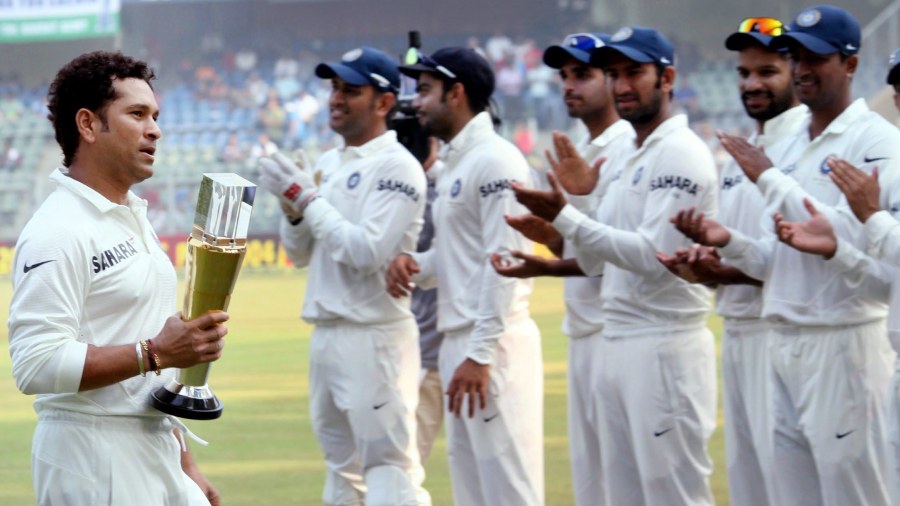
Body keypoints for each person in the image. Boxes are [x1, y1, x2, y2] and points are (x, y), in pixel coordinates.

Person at [672, 6, 900, 505]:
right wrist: (726, 239)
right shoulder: (792, 143)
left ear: (851, 64)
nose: (802, 68)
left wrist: (768, 178)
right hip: (783, 340)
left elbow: (865, 251)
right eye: (795, 55)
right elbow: (783, 259)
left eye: (815, 57)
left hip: (844, 344)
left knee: (854, 495)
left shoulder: (878, 143)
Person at [509, 27, 719, 505]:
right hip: (619, 339)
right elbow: (597, 257)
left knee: (672, 495)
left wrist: (566, 215)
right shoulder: (627, 153)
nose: (623, 85)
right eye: (616, 74)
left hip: (663, 343)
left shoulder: (681, 152)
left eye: (634, 73)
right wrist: (573, 213)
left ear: (666, 78)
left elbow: (652, 257)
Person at [7, 51, 227, 506]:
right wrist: (156, 352)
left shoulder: (130, 215)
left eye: (156, 116)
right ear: (88, 125)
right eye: (137, 114)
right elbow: (34, 363)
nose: (155, 129)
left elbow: (152, 359)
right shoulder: (57, 229)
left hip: (153, 445)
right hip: (91, 454)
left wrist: (185, 466)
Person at [257, 46, 429, 505]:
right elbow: (299, 254)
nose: (336, 98)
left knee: (389, 466)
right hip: (327, 333)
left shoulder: (398, 167)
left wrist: (305, 196)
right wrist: (292, 209)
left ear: (384, 103)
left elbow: (367, 252)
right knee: (340, 469)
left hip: (374, 335)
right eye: (334, 88)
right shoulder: (330, 164)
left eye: (351, 90)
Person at [385, 47, 544, 506]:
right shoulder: (461, 162)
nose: (416, 102)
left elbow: (506, 262)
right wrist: (415, 266)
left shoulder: (498, 161)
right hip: (462, 345)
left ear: (457, 94)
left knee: (509, 488)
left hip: (491, 347)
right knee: (474, 490)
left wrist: (479, 353)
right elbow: (456, 259)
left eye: (427, 90)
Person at [657, 18, 806, 506]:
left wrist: (722, 270)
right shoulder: (743, 153)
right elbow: (740, 246)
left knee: (787, 486)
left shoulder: (804, 149)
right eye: (744, 73)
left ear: (797, 72)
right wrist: (705, 259)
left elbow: (796, 258)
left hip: (781, 335)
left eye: (767, 71)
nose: (752, 84)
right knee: (748, 487)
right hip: (738, 333)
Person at [491, 32, 634, 506]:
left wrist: (557, 250)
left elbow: (627, 253)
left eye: (584, 75)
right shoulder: (579, 149)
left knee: (631, 483)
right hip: (584, 329)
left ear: (614, 79)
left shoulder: (631, 149)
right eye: (565, 76)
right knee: (592, 485)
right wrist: (551, 242)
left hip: (623, 333)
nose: (570, 86)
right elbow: (588, 252)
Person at [411, 137, 445, 465]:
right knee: (405, 464)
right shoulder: (402, 187)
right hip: (424, 350)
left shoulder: (453, 182)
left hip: (472, 349)